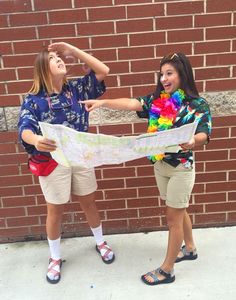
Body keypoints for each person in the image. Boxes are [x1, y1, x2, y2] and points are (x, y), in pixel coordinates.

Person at [81, 52, 212, 285]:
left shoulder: (197, 104)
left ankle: (167, 270)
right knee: (178, 210)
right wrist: (103, 102)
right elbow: (133, 103)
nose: (163, 78)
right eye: (161, 74)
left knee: (173, 217)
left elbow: (204, 132)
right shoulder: (158, 101)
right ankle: (190, 248)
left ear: (182, 74)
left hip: (182, 167)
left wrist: (193, 141)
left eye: (169, 73)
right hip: (160, 164)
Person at [18, 42, 115, 284]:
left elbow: (103, 71)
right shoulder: (33, 100)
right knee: (55, 210)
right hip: (52, 161)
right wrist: (37, 140)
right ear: (43, 68)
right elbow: (25, 129)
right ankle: (54, 257)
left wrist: (72, 50)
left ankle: (100, 241)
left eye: (60, 58)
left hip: (80, 156)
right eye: (53, 58)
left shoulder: (77, 89)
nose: (60, 60)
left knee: (88, 201)